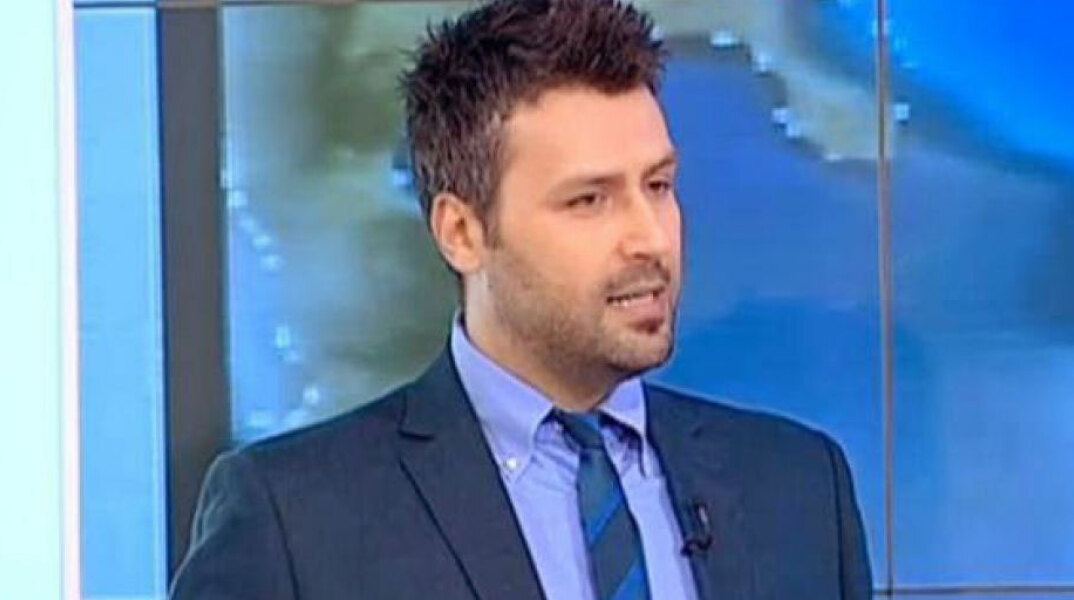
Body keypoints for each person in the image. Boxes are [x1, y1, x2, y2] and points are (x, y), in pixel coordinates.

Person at [169, 0, 872, 598]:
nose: (650, 238)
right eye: (589, 200)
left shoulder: (801, 489)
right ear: (462, 232)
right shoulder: (293, 522)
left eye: (658, 186)